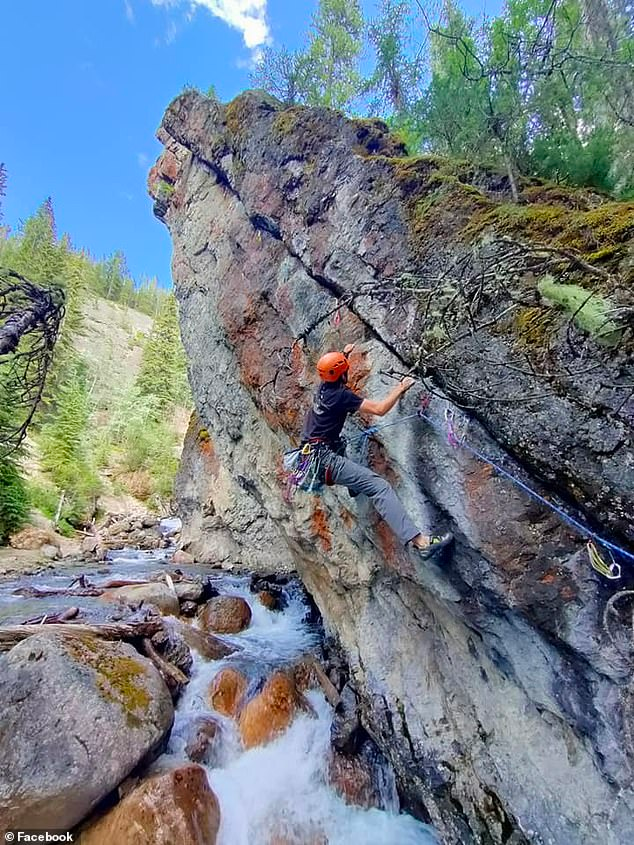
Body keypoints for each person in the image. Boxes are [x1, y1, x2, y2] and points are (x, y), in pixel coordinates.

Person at [300, 344, 454, 559]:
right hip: (325, 459)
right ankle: (421, 543)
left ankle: (354, 484)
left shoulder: (323, 388)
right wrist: (400, 388)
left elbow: (332, 372)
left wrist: (344, 354)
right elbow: (380, 409)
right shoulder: (341, 396)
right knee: (380, 487)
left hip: (309, 452)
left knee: (341, 444)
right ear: (341, 374)